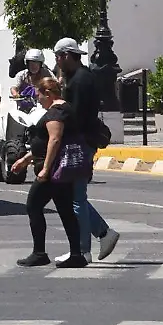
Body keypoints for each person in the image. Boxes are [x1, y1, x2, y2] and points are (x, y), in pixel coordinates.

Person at [50, 38, 118, 261]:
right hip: (81, 142)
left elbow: (75, 115)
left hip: (81, 143)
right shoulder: (79, 77)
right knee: (75, 197)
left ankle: (82, 250)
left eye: (59, 57)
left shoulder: (80, 81)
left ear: (67, 56)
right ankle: (103, 233)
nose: (58, 62)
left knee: (77, 198)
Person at [12, 74, 88, 269]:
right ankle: (76, 254)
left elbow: (54, 140)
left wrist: (45, 169)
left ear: (48, 93)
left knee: (33, 206)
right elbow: (45, 143)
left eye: (39, 95)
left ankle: (39, 253)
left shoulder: (56, 112)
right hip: (58, 171)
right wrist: (25, 159)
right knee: (65, 211)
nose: (38, 99)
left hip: (53, 171)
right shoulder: (64, 109)